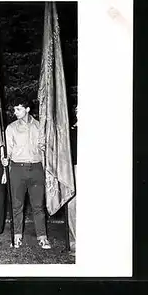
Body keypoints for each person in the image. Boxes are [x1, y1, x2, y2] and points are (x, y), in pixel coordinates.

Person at [1, 98, 51, 249]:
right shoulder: (11, 128)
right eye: (15, 109)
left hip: (36, 168)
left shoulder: (39, 126)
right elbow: (7, 150)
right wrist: (5, 162)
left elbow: (45, 149)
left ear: (27, 110)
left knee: (38, 206)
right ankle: (17, 237)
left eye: (19, 109)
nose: (15, 112)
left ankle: (42, 237)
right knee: (17, 206)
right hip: (17, 169)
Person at [68, 105, 78, 255]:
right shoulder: (70, 131)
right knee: (72, 205)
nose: (77, 110)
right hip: (74, 169)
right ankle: (75, 242)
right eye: (76, 109)